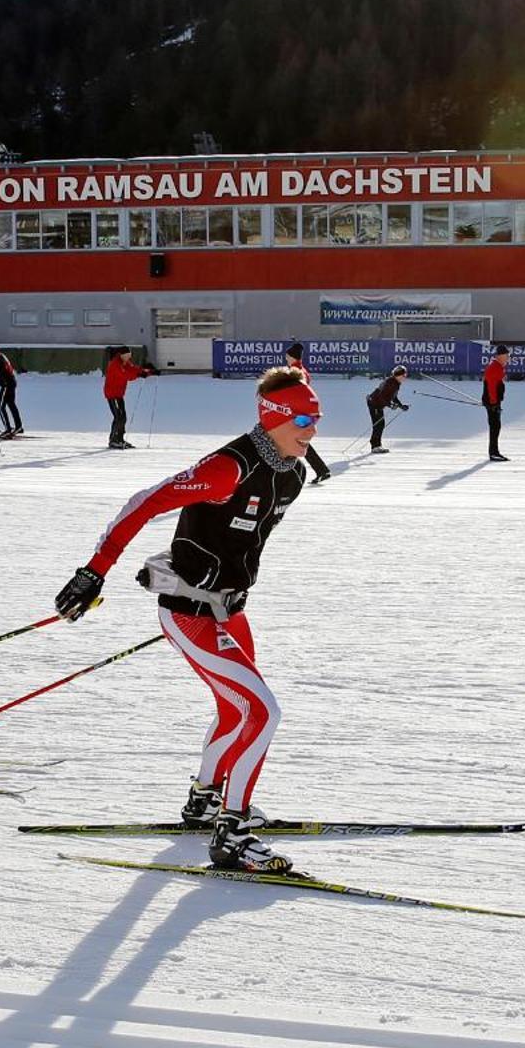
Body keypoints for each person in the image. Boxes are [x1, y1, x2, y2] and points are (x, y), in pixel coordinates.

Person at [54, 366, 322, 875]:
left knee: (235, 708)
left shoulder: (292, 473)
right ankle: (233, 834)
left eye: (317, 419)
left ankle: (205, 800)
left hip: (231, 608)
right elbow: (144, 503)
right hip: (189, 612)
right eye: (304, 419)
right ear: (275, 419)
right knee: (262, 712)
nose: (313, 430)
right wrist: (94, 572)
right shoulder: (227, 467)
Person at [282, 343, 333, 484]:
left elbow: (295, 391)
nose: (286, 358)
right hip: (301, 411)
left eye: (287, 356)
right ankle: (321, 470)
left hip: (298, 412)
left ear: (292, 356)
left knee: (290, 441)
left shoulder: (296, 371)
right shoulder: (300, 369)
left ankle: (286, 476)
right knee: (297, 441)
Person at [103, 345, 156, 449]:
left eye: (130, 355)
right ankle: (113, 440)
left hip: (119, 394)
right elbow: (127, 375)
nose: (128, 357)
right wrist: (139, 375)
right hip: (112, 394)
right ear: (121, 355)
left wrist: (148, 371)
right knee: (119, 417)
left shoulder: (124, 362)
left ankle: (120, 439)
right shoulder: (115, 364)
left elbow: (133, 369)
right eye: (127, 355)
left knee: (123, 417)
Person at [365, 365, 409, 452]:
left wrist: (401, 406)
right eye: (404, 375)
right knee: (378, 424)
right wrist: (390, 405)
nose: (405, 377)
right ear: (398, 375)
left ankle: (377, 445)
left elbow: (393, 397)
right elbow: (381, 396)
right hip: (374, 403)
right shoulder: (390, 382)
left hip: (378, 403)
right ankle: (375, 446)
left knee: (380, 424)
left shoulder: (396, 383)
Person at [0, 341, 24, 438]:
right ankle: (18, 426)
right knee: (11, 404)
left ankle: (8, 429)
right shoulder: (0, 356)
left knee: (0, 407)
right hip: (11, 383)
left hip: (7, 385)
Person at [481, 344, 511, 461]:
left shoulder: (498, 366)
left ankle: (494, 451)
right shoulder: (495, 368)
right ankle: (493, 452)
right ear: (500, 356)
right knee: (495, 426)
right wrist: (493, 404)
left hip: (493, 401)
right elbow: (492, 387)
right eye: (506, 356)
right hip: (492, 402)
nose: (508, 358)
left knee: (495, 426)